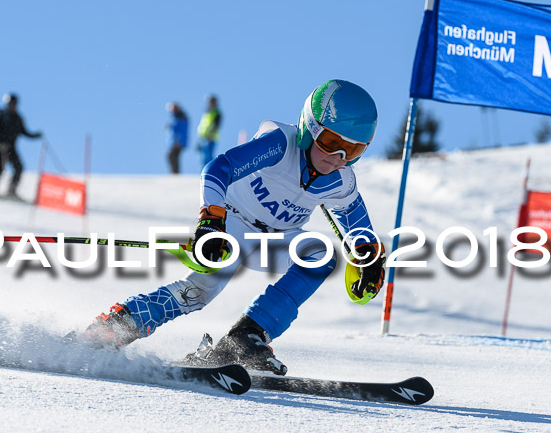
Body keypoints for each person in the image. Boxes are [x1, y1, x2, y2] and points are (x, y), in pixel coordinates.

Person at [82, 80, 386, 375]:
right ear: (309, 128)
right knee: (199, 292)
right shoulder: (281, 143)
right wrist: (211, 220)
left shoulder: (341, 179)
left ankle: (245, 339)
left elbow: (357, 225)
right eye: (331, 143)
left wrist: (369, 260)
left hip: (274, 240)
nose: (338, 158)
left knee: (319, 255)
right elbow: (219, 168)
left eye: (353, 150)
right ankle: (114, 327)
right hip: (233, 225)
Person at [0, 93, 42, 198]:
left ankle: (11, 191)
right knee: (0, 168)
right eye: (10, 103)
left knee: (19, 168)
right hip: (0, 146)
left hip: (11, 148)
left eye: (14, 103)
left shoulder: (17, 118)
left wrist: (36, 136)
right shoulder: (0, 114)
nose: (12, 105)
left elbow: (24, 132)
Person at [196, 94, 222, 169]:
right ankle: (203, 173)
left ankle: (209, 172)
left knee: (208, 157)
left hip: (210, 138)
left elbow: (216, 125)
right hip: (203, 137)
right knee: (203, 158)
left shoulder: (216, 113)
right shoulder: (207, 113)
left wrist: (211, 135)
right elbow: (203, 125)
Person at [165, 102, 189, 174]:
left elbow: (181, 130)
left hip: (178, 142)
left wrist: (179, 141)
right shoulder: (175, 117)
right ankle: (174, 172)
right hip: (175, 142)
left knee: (172, 156)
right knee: (172, 156)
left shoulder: (181, 117)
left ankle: (175, 173)